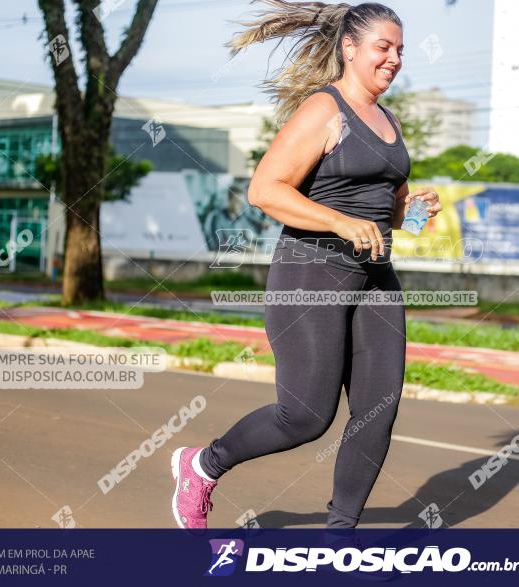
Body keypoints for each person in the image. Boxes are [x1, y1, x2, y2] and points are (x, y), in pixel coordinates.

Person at [170, 0, 441, 531]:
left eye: (400, 51)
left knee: (377, 409)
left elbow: (381, 206)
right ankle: (201, 465)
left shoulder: (390, 120)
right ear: (350, 48)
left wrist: (408, 213)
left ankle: (340, 534)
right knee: (306, 417)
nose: (394, 60)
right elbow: (264, 190)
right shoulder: (324, 109)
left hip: (375, 278)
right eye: (383, 48)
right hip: (310, 271)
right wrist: (340, 223)